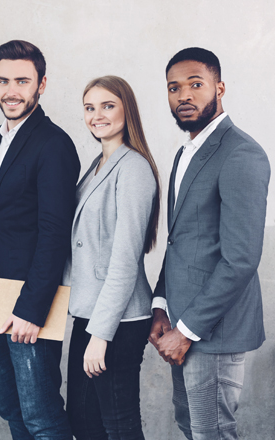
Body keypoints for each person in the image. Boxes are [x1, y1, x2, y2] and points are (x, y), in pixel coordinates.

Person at [149, 47, 270, 440]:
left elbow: (240, 259)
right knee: (191, 427)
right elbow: (181, 240)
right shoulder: (186, 152)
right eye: (174, 87)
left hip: (212, 331)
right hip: (180, 321)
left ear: (220, 87)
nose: (183, 95)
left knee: (212, 434)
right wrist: (161, 305)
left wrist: (186, 330)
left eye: (195, 84)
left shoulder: (241, 153)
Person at [0, 40, 80, 439]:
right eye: (3, 80)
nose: (11, 90)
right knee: (11, 407)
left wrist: (32, 308)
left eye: (22, 81)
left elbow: (55, 233)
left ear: (41, 85)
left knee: (42, 415)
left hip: (30, 302)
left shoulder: (54, 144)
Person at [64, 76, 160, 439]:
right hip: (89, 314)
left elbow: (124, 260)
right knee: (84, 422)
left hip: (118, 322)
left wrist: (101, 336)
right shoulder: (97, 165)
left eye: (107, 106)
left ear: (126, 110)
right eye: (90, 107)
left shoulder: (133, 168)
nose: (96, 115)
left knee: (118, 425)